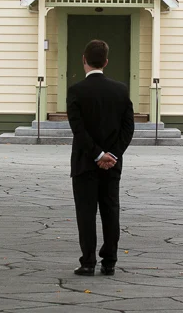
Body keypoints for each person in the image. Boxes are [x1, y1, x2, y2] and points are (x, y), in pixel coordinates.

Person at [66, 39, 135, 276]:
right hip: (112, 165)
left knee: (86, 214)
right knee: (110, 211)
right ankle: (109, 262)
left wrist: (97, 154)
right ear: (106, 62)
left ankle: (87, 262)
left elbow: (78, 129)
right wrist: (112, 154)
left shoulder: (76, 91)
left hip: (84, 163)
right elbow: (128, 128)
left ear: (84, 60)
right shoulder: (121, 90)